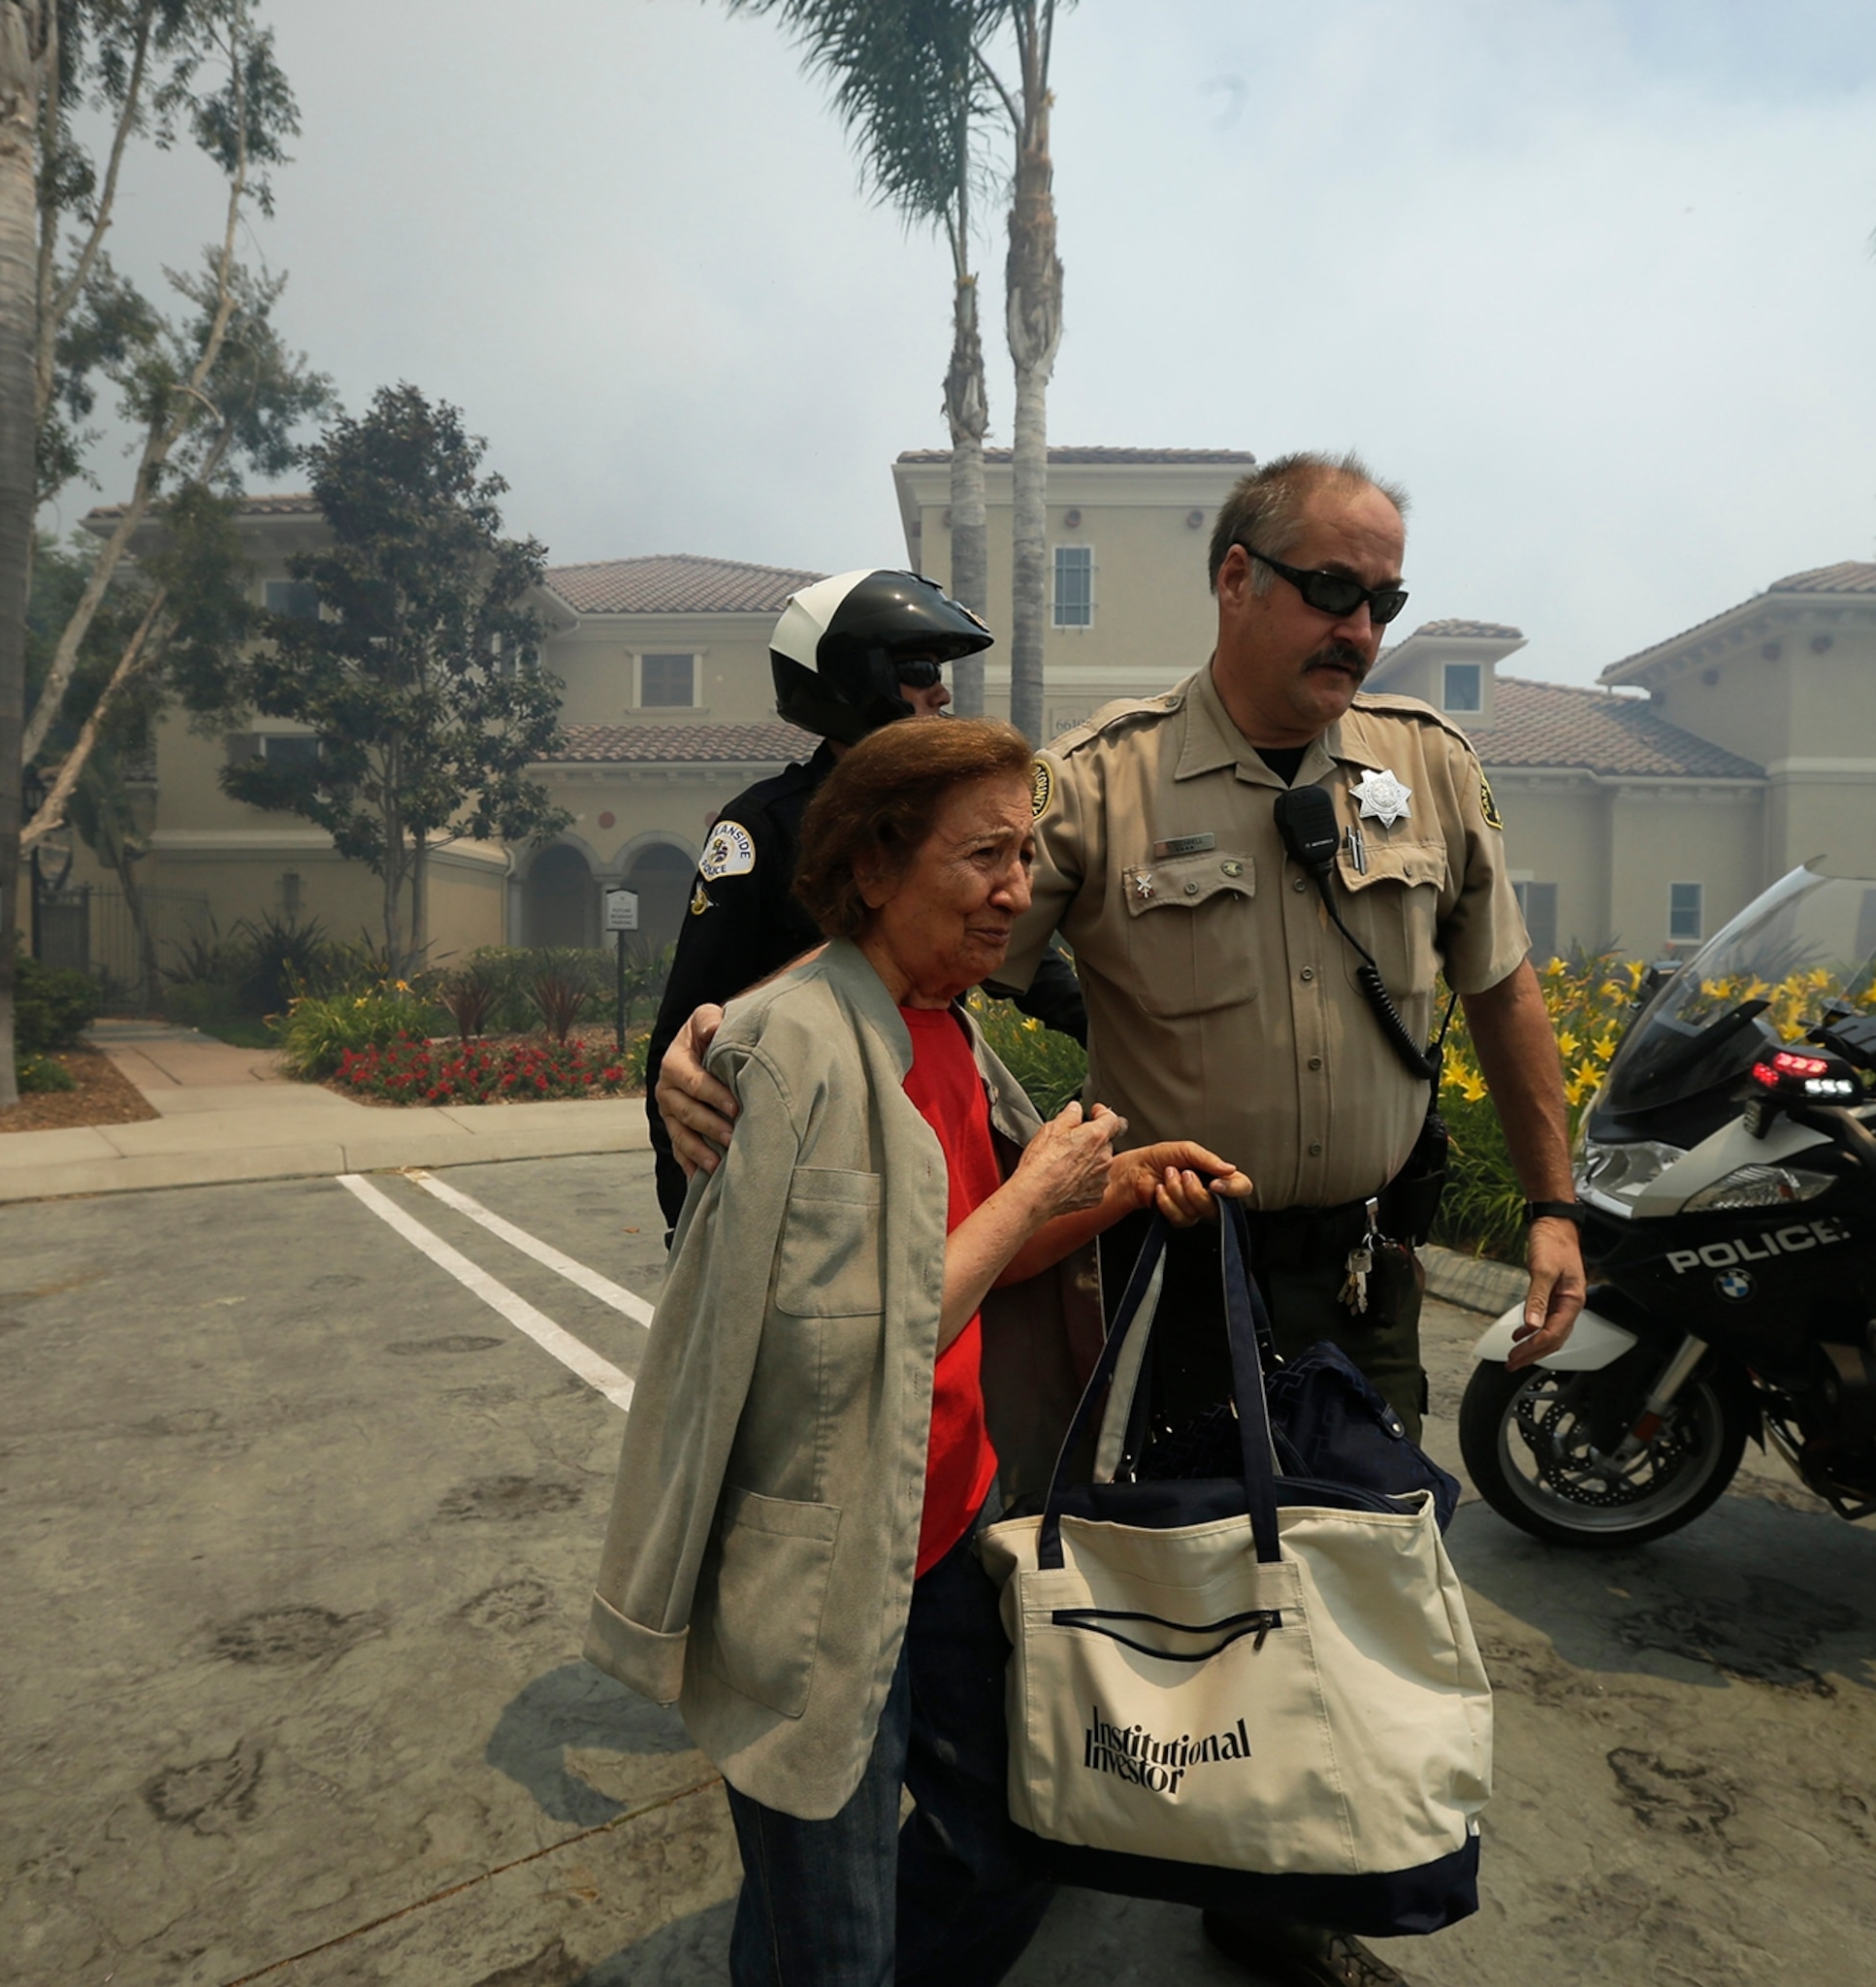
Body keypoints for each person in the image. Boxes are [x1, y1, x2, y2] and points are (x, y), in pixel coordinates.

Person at [659, 451, 1587, 1987]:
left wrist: (1553, 1206)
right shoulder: (1102, 784)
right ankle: (1181, 1832)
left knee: (1362, 1580)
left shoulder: (1427, 767)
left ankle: (1297, 1888)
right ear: (1237, 580)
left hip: (1368, 1274)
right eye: (1332, 591)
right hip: (1180, 1269)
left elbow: (1503, 987)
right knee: (1192, 1586)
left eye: (1386, 599)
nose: (1363, 627)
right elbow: (910, 931)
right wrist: (719, 1028)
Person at [588, 716, 1246, 1987]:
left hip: (942, 1530)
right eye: (986, 856)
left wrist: (1111, 1193)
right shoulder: (794, 1048)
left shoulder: (937, 1023)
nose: (1019, 888)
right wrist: (1041, 1176)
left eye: (1027, 854)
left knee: (1018, 1829)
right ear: (879, 866)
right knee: (833, 1936)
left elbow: (977, 1268)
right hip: (826, 1572)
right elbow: (865, 1339)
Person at [642, 567, 1084, 1235]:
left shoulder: (947, 813)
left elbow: (1017, 959)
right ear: (851, 678)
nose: (940, 689)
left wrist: (1110, 1025)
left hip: (917, 1136)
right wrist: (691, 1213)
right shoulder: (764, 826)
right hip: (806, 1158)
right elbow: (692, 1025)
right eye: (915, 667)